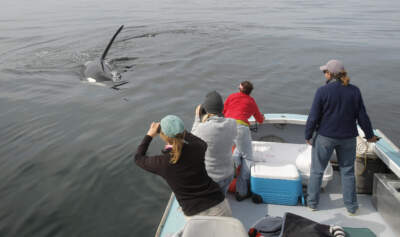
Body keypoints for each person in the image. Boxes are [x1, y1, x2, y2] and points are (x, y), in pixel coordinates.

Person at [305, 59, 379, 215]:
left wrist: (308, 135)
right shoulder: (354, 91)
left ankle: (312, 203)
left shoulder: (322, 91)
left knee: (317, 171)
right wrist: (370, 136)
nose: (324, 73)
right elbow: (363, 117)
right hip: (348, 138)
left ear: (331, 74)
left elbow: (313, 117)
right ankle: (351, 207)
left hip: (325, 137)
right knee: (348, 172)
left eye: (325, 71)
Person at [134, 115, 232, 218]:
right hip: (219, 204)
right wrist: (178, 129)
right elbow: (197, 141)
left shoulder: (162, 163)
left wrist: (150, 134)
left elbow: (138, 158)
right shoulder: (199, 147)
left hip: (195, 214)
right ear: (183, 131)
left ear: (163, 136)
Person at [223, 81, 265, 201]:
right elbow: (259, 119)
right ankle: (241, 192)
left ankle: (231, 174)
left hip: (227, 127)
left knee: (237, 150)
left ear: (239, 89)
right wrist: (262, 118)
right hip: (240, 128)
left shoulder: (231, 96)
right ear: (250, 92)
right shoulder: (251, 101)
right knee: (247, 158)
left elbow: (224, 111)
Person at [191, 91, 237, 195]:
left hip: (212, 178)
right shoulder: (233, 124)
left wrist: (197, 118)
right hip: (228, 174)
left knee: (213, 203)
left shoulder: (202, 129)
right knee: (222, 196)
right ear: (222, 108)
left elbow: (192, 140)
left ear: (206, 110)